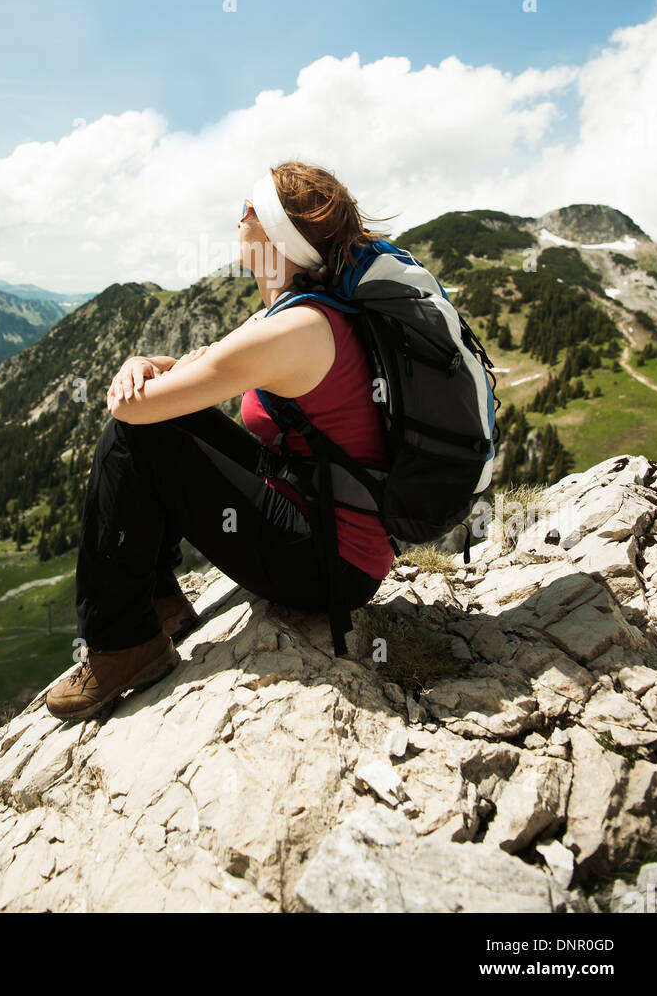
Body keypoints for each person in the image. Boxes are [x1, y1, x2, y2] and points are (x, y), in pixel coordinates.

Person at [45, 160, 397, 721]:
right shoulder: (301, 312)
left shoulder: (295, 330)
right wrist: (143, 363)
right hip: (322, 520)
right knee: (154, 422)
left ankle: (121, 643)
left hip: (328, 563)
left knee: (128, 433)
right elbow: (196, 366)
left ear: (273, 234)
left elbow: (134, 407)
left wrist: (134, 389)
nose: (240, 215)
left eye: (249, 208)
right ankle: (159, 604)